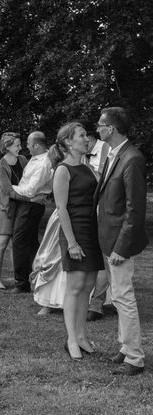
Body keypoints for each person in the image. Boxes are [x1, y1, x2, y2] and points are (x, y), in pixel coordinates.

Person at [95, 107, 148, 376]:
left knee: (124, 297)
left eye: (100, 125)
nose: (97, 129)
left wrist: (121, 247)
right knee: (116, 296)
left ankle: (135, 358)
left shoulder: (132, 158)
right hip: (108, 238)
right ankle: (126, 348)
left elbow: (135, 210)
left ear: (111, 129)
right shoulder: (114, 154)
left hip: (119, 243)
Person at [48, 122, 104, 361]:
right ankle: (71, 338)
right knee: (75, 285)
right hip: (74, 231)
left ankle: (82, 336)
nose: (86, 138)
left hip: (92, 230)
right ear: (69, 142)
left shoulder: (89, 168)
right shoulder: (63, 170)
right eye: (82, 135)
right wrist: (71, 243)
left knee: (89, 284)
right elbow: (61, 209)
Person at [9, 131, 52, 293]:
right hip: (27, 203)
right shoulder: (34, 159)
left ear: (36, 145)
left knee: (19, 241)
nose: (26, 146)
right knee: (31, 242)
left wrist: (8, 188)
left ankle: (21, 282)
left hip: (32, 205)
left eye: (28, 143)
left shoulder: (44, 163)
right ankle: (37, 276)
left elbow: (30, 190)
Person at [0, 132, 27, 289]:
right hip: (5, 208)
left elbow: (29, 179)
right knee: (2, 243)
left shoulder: (23, 160)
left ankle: (18, 277)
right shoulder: (0, 166)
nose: (21, 147)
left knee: (17, 243)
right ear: (7, 146)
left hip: (21, 206)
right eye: (17, 145)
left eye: (20, 144)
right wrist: (28, 197)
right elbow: (7, 190)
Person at [85, 132, 111, 321]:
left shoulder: (105, 149)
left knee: (105, 257)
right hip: (85, 209)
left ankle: (97, 303)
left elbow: (103, 180)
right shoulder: (79, 153)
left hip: (103, 209)